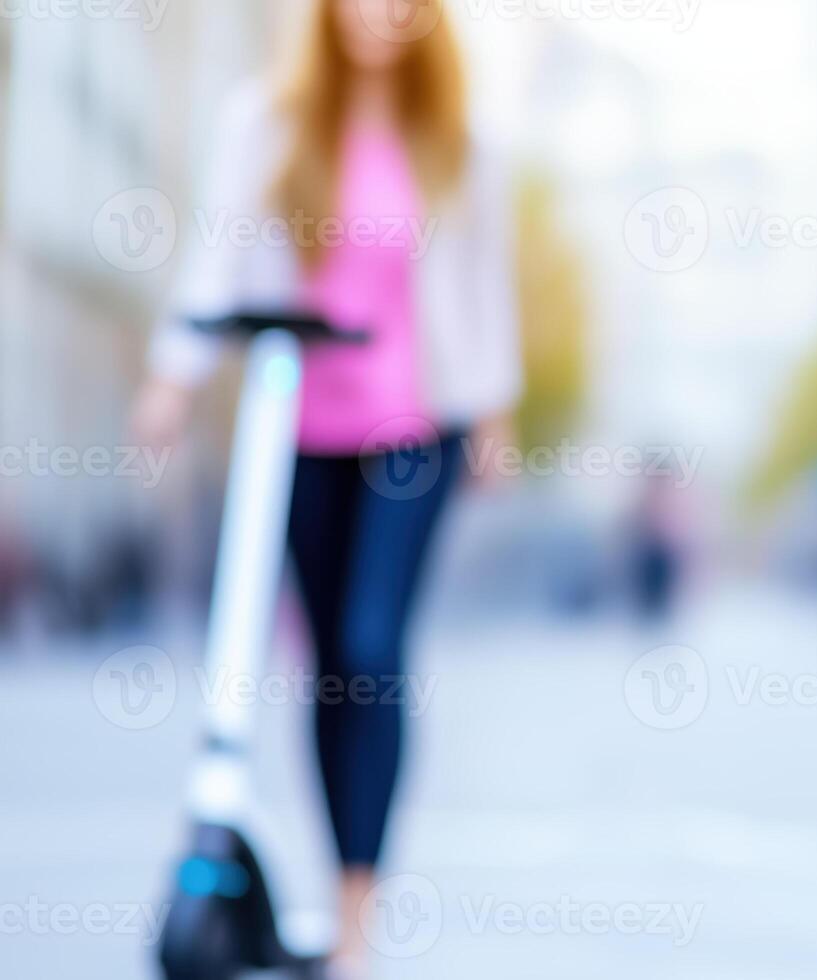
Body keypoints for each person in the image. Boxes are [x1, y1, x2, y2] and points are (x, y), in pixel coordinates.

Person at [131, 0, 520, 970]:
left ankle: (356, 916)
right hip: (293, 426)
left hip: (415, 427)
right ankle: (332, 882)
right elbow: (216, 254)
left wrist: (497, 411)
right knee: (329, 667)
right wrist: (173, 375)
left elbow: (483, 283)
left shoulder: (460, 143)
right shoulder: (265, 122)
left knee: (370, 642)